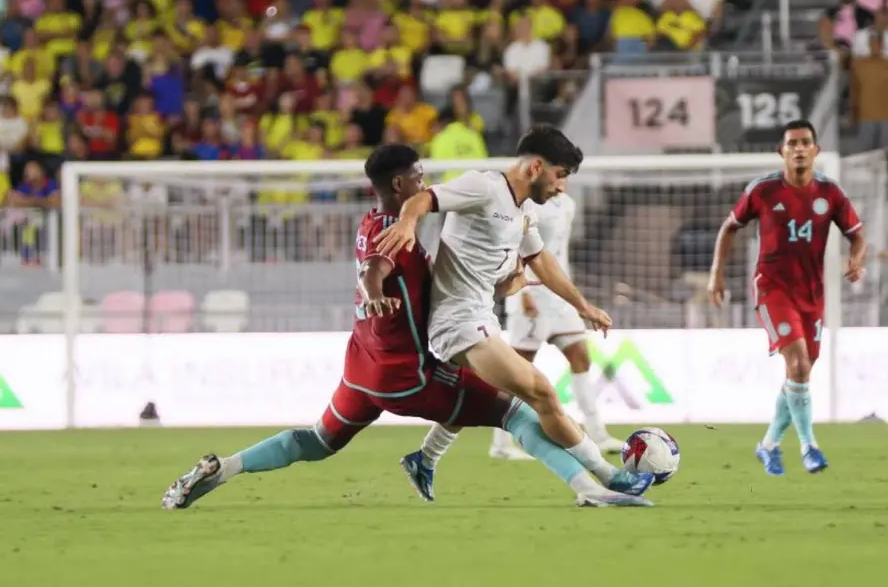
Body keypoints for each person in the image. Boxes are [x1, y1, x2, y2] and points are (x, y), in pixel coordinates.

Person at [161, 144, 653, 509]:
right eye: (419, 177)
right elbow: (376, 268)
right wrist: (376, 294)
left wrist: (501, 275)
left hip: (362, 369)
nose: (425, 183)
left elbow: (392, 263)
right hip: (408, 373)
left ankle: (221, 470)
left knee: (316, 440)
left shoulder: (372, 222)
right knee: (517, 411)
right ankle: (593, 486)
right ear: (401, 185)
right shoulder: (396, 232)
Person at [374, 125, 652, 500]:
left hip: (481, 316)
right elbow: (422, 200)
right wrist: (408, 222)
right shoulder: (483, 187)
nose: (560, 187)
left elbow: (541, 260)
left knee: (480, 400)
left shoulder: (521, 210)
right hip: (457, 321)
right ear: (536, 167)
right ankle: (607, 476)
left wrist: (582, 306)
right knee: (540, 393)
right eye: (559, 176)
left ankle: (424, 458)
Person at [707, 119, 866, 476]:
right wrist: (716, 273)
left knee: (801, 372)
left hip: (812, 294)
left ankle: (767, 446)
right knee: (797, 364)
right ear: (781, 152)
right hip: (772, 289)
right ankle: (810, 446)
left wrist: (856, 259)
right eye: (791, 143)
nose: (798, 148)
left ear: (815, 150)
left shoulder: (831, 194)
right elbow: (729, 227)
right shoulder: (763, 191)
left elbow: (857, 234)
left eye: (805, 142)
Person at [491, 190, 623, 460]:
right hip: (530, 295)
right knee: (517, 372)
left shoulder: (568, 203)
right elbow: (516, 246)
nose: (561, 178)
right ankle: (501, 443)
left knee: (581, 357)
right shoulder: (526, 205)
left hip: (559, 298)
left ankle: (597, 432)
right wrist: (523, 293)